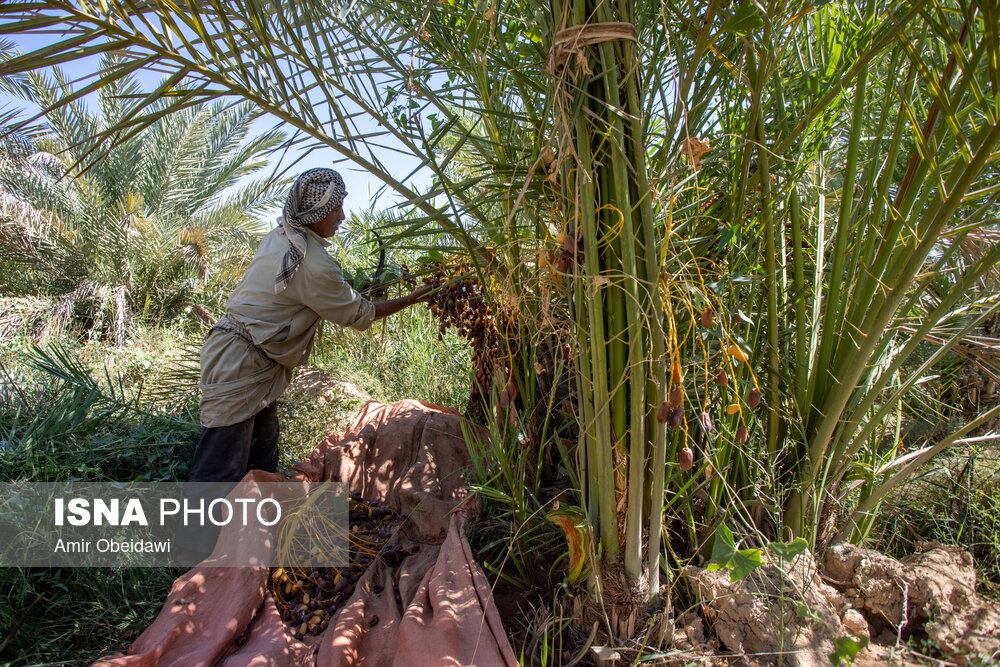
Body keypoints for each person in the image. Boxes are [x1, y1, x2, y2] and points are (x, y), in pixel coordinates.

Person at [189, 168, 431, 483]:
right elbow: (360, 314)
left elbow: (311, 290)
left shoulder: (284, 236)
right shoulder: (311, 262)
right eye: (335, 208)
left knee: (260, 457)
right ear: (313, 212)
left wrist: (348, 286)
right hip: (240, 363)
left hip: (247, 357)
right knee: (219, 469)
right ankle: (200, 531)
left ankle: (247, 527)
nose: (342, 215)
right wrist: (412, 299)